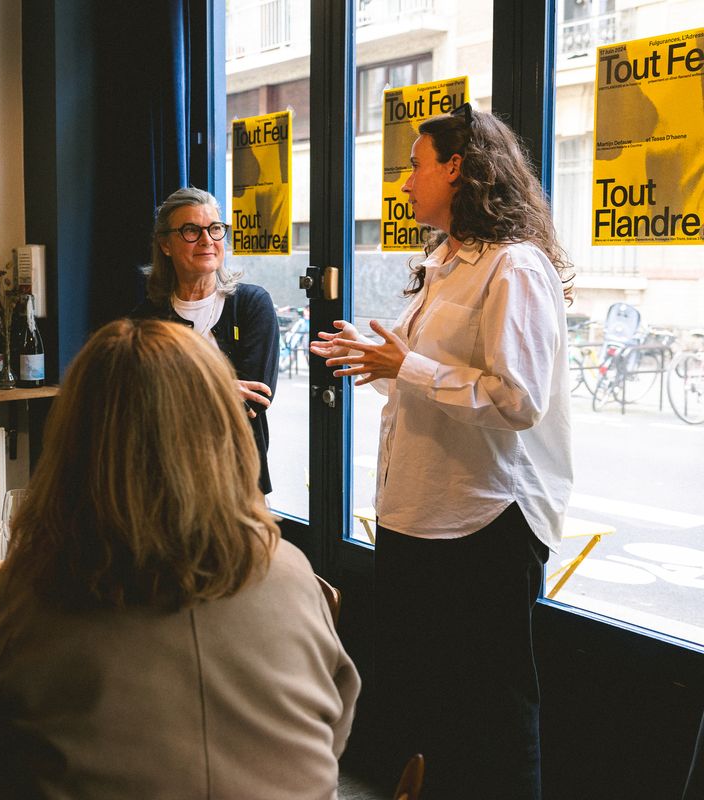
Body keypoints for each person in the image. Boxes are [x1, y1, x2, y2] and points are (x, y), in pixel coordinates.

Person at [0, 319, 359, 800]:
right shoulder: (288, 568)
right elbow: (333, 724)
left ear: (75, 441)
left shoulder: (40, 582)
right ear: (222, 428)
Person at [310, 103, 574, 799]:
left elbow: (518, 401)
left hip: (481, 524)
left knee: (494, 715)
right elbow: (419, 382)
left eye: (415, 166)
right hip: (419, 519)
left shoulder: (515, 268)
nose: (404, 184)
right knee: (435, 708)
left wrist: (409, 369)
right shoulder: (443, 264)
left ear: (458, 169)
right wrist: (378, 360)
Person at [132, 186, 280, 493]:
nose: (207, 240)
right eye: (191, 230)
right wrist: (224, 388)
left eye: (215, 229)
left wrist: (174, 389)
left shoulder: (251, 304)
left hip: (237, 478)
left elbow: (255, 400)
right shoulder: (146, 319)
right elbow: (140, 404)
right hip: (164, 480)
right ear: (166, 245)